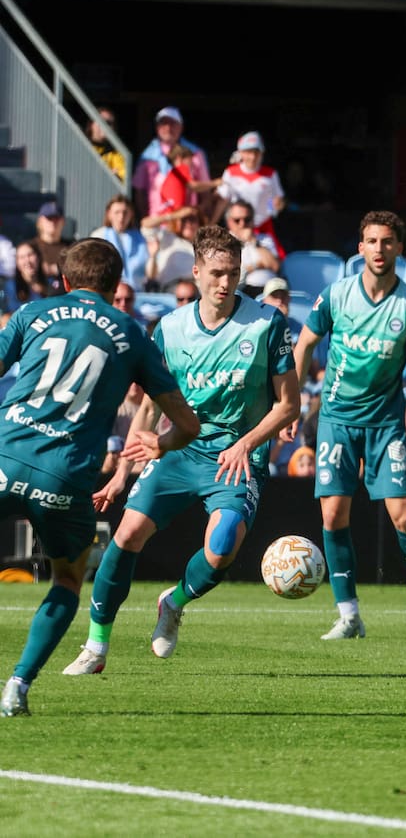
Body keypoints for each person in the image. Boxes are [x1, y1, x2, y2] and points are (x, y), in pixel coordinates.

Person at [64, 226, 299, 675]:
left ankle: (173, 603)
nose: (225, 283)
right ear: (195, 272)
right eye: (216, 273)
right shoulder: (170, 329)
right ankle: (95, 646)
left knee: (222, 547)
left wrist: (246, 443)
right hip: (180, 449)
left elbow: (289, 405)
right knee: (127, 535)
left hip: (237, 456)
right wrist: (121, 474)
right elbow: (151, 407)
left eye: (233, 273)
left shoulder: (267, 323)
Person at [0, 240, 199, 716]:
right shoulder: (132, 334)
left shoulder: (32, 312)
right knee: (68, 579)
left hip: (5, 454)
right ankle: (17, 687)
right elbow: (188, 425)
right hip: (65, 475)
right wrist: (161, 444)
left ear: (65, 281)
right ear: (115, 287)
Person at [286, 211, 406, 640]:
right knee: (333, 514)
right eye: (372, 241)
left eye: (387, 241)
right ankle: (349, 614)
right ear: (360, 248)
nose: (379, 249)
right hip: (336, 419)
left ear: (399, 249)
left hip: (386, 423)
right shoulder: (336, 295)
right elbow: (305, 345)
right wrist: (292, 405)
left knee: (404, 517)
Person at [216, 132, 287, 257]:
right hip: (237, 227)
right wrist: (213, 222)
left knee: (273, 260)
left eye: (256, 152)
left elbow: (273, 200)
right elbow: (223, 200)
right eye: (248, 152)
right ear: (241, 153)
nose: (253, 157)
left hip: (263, 228)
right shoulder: (231, 172)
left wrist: (273, 208)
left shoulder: (270, 174)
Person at [131, 107, 210, 220]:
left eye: (173, 123)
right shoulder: (146, 156)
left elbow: (205, 191)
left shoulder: (196, 153)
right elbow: (139, 192)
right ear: (157, 127)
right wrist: (147, 219)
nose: (168, 128)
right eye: (163, 123)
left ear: (181, 126)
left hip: (187, 222)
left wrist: (199, 214)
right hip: (158, 221)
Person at [91, 195, 150, 291]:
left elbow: (150, 273)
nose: (121, 217)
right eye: (117, 212)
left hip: (136, 291)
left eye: (125, 212)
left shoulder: (141, 238)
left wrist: (153, 255)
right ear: (109, 214)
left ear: (131, 214)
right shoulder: (98, 236)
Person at [86, 106, 125, 182]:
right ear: (91, 124)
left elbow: (124, 178)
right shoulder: (80, 144)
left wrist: (116, 178)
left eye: (112, 124)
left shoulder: (116, 154)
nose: (109, 127)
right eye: (105, 122)